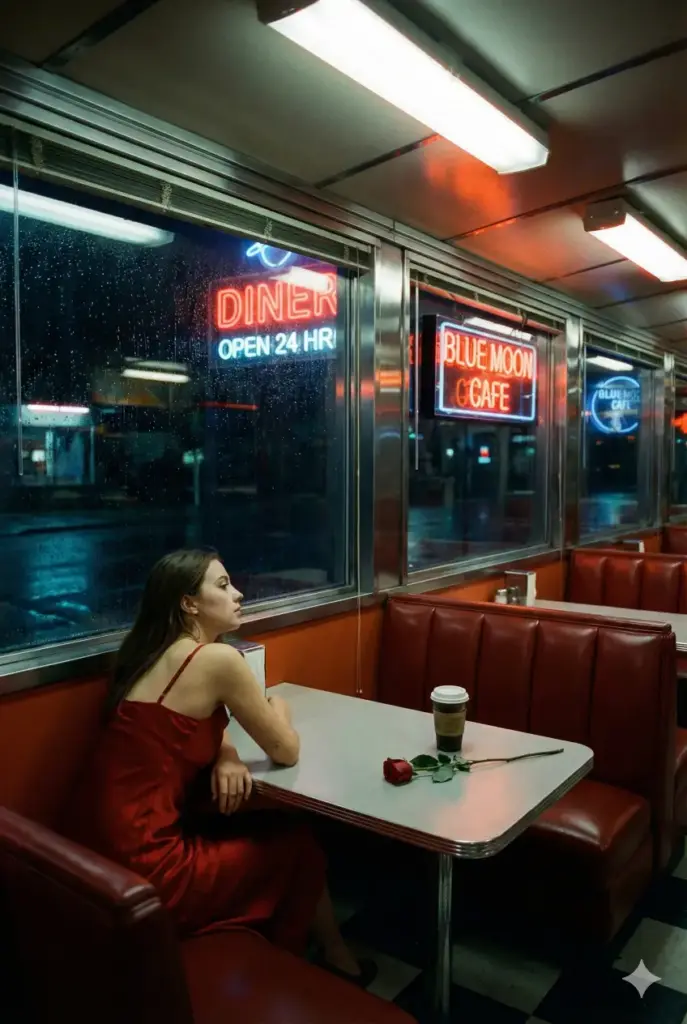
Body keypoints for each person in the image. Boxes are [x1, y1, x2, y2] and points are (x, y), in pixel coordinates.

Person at [68, 548, 374, 985]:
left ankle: (313, 951)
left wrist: (226, 753)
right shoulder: (218, 661)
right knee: (297, 845)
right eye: (224, 585)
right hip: (147, 867)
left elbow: (182, 726)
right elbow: (285, 750)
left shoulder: (146, 655)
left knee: (259, 827)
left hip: (88, 851)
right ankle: (310, 967)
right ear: (189, 603)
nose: (239, 593)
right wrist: (279, 704)